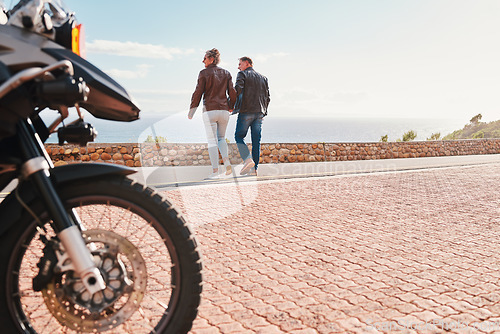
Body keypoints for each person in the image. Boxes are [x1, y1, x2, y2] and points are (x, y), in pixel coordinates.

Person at [189, 48, 236, 179]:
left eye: (205, 58)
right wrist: (231, 106)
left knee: (212, 141)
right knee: (221, 138)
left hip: (210, 111)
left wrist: (192, 110)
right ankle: (226, 162)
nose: (202, 60)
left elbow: (198, 92)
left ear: (211, 59)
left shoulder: (204, 73)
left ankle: (215, 171)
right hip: (224, 111)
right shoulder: (226, 73)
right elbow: (232, 92)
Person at [234, 56, 270, 176]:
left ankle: (248, 159)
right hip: (259, 113)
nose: (238, 67)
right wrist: (264, 111)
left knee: (239, 136)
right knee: (256, 141)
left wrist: (230, 104)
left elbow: (237, 90)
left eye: (240, 64)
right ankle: (254, 170)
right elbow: (268, 97)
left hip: (246, 111)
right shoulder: (263, 78)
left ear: (247, 63)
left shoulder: (242, 74)